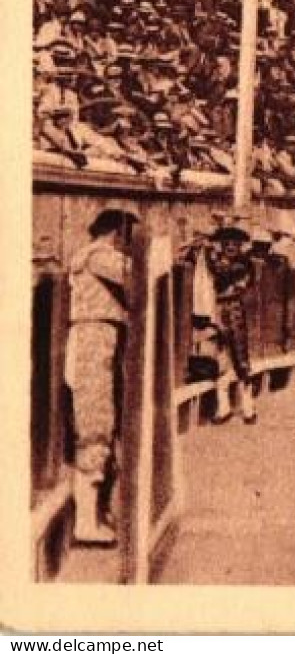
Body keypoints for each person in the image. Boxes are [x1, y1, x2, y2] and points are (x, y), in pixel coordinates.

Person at [65, 208, 138, 546]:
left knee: (102, 425)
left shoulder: (93, 255)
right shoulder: (99, 256)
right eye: (128, 236)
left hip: (99, 341)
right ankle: (84, 523)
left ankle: (94, 515)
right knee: (95, 425)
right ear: (116, 233)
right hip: (94, 342)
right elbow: (136, 277)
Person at [201, 225, 257, 424]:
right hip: (218, 310)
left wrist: (208, 251)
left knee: (240, 359)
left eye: (235, 244)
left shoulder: (244, 264)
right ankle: (223, 408)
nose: (231, 247)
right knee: (220, 359)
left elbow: (223, 273)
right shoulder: (223, 261)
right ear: (222, 245)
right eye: (227, 244)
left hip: (234, 310)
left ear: (240, 246)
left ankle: (248, 408)